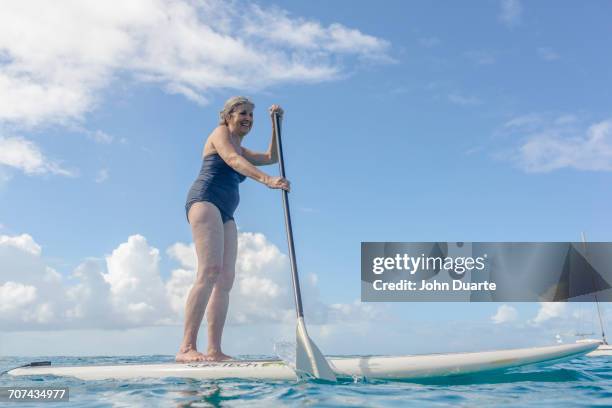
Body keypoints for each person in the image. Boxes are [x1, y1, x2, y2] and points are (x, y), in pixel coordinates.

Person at [177, 96, 290, 362]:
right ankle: (185, 348)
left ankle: (214, 350)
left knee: (226, 279)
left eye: (251, 115)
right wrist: (267, 180)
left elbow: (272, 157)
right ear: (227, 116)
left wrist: (277, 124)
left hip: (227, 212)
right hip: (205, 201)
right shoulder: (220, 134)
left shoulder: (242, 148)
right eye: (242, 113)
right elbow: (231, 160)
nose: (248, 119)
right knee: (209, 272)